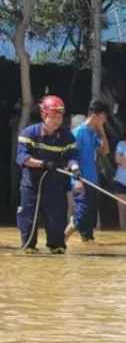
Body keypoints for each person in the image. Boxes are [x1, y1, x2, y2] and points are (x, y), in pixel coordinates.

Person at [16, 95, 83, 254]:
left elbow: (71, 157)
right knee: (28, 219)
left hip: (54, 184)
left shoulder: (67, 136)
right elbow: (22, 158)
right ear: (43, 115)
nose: (57, 120)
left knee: (56, 219)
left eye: (60, 117)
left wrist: (74, 169)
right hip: (31, 184)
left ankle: (57, 248)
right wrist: (43, 164)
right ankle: (29, 247)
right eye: (53, 116)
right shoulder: (29, 133)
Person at [65, 100, 110, 243]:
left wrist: (101, 129)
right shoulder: (77, 133)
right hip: (81, 181)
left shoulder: (92, 133)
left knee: (89, 219)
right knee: (80, 217)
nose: (105, 120)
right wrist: (77, 179)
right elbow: (70, 157)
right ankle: (60, 241)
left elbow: (106, 150)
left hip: (92, 181)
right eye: (104, 117)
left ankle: (88, 246)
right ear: (97, 115)